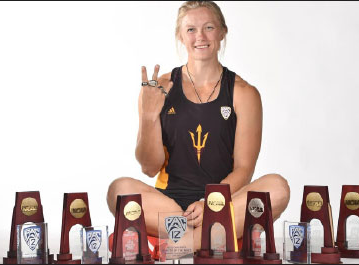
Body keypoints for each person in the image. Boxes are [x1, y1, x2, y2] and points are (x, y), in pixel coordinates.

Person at [107, 1, 290, 251]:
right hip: (169, 205)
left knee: (277, 188)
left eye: (209, 27)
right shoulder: (159, 88)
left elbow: (244, 170)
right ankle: (214, 235)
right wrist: (149, 116)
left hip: (224, 201)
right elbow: (149, 168)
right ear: (180, 36)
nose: (200, 37)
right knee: (119, 191)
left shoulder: (244, 93)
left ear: (222, 32)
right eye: (191, 29)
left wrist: (210, 203)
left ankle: (185, 242)